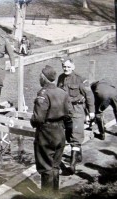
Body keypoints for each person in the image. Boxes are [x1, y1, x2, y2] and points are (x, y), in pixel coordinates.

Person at [31, 65, 70, 196]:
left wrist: (32, 122)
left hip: (46, 133)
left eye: (40, 76)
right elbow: (68, 115)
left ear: (44, 78)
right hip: (60, 131)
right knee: (55, 165)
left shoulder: (43, 93)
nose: (39, 79)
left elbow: (38, 118)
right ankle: (55, 195)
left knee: (46, 167)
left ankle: (46, 196)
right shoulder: (62, 92)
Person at [57, 56, 95, 174]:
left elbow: (89, 95)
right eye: (64, 67)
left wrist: (92, 111)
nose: (66, 69)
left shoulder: (81, 80)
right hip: (65, 110)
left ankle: (72, 166)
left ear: (73, 67)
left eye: (68, 67)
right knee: (68, 135)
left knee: (76, 137)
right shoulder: (61, 78)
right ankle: (78, 155)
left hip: (77, 109)